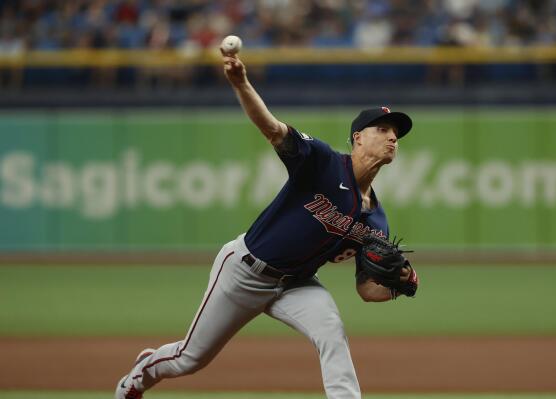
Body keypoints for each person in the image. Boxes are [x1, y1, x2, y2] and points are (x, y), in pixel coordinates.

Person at [115, 50, 414, 399]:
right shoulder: (322, 162)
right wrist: (241, 82)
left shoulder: (375, 219)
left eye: (396, 134)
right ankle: (137, 378)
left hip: (298, 284)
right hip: (245, 272)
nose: (392, 138)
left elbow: (367, 290)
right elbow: (271, 128)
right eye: (382, 129)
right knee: (189, 359)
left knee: (331, 330)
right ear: (358, 137)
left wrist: (403, 284)